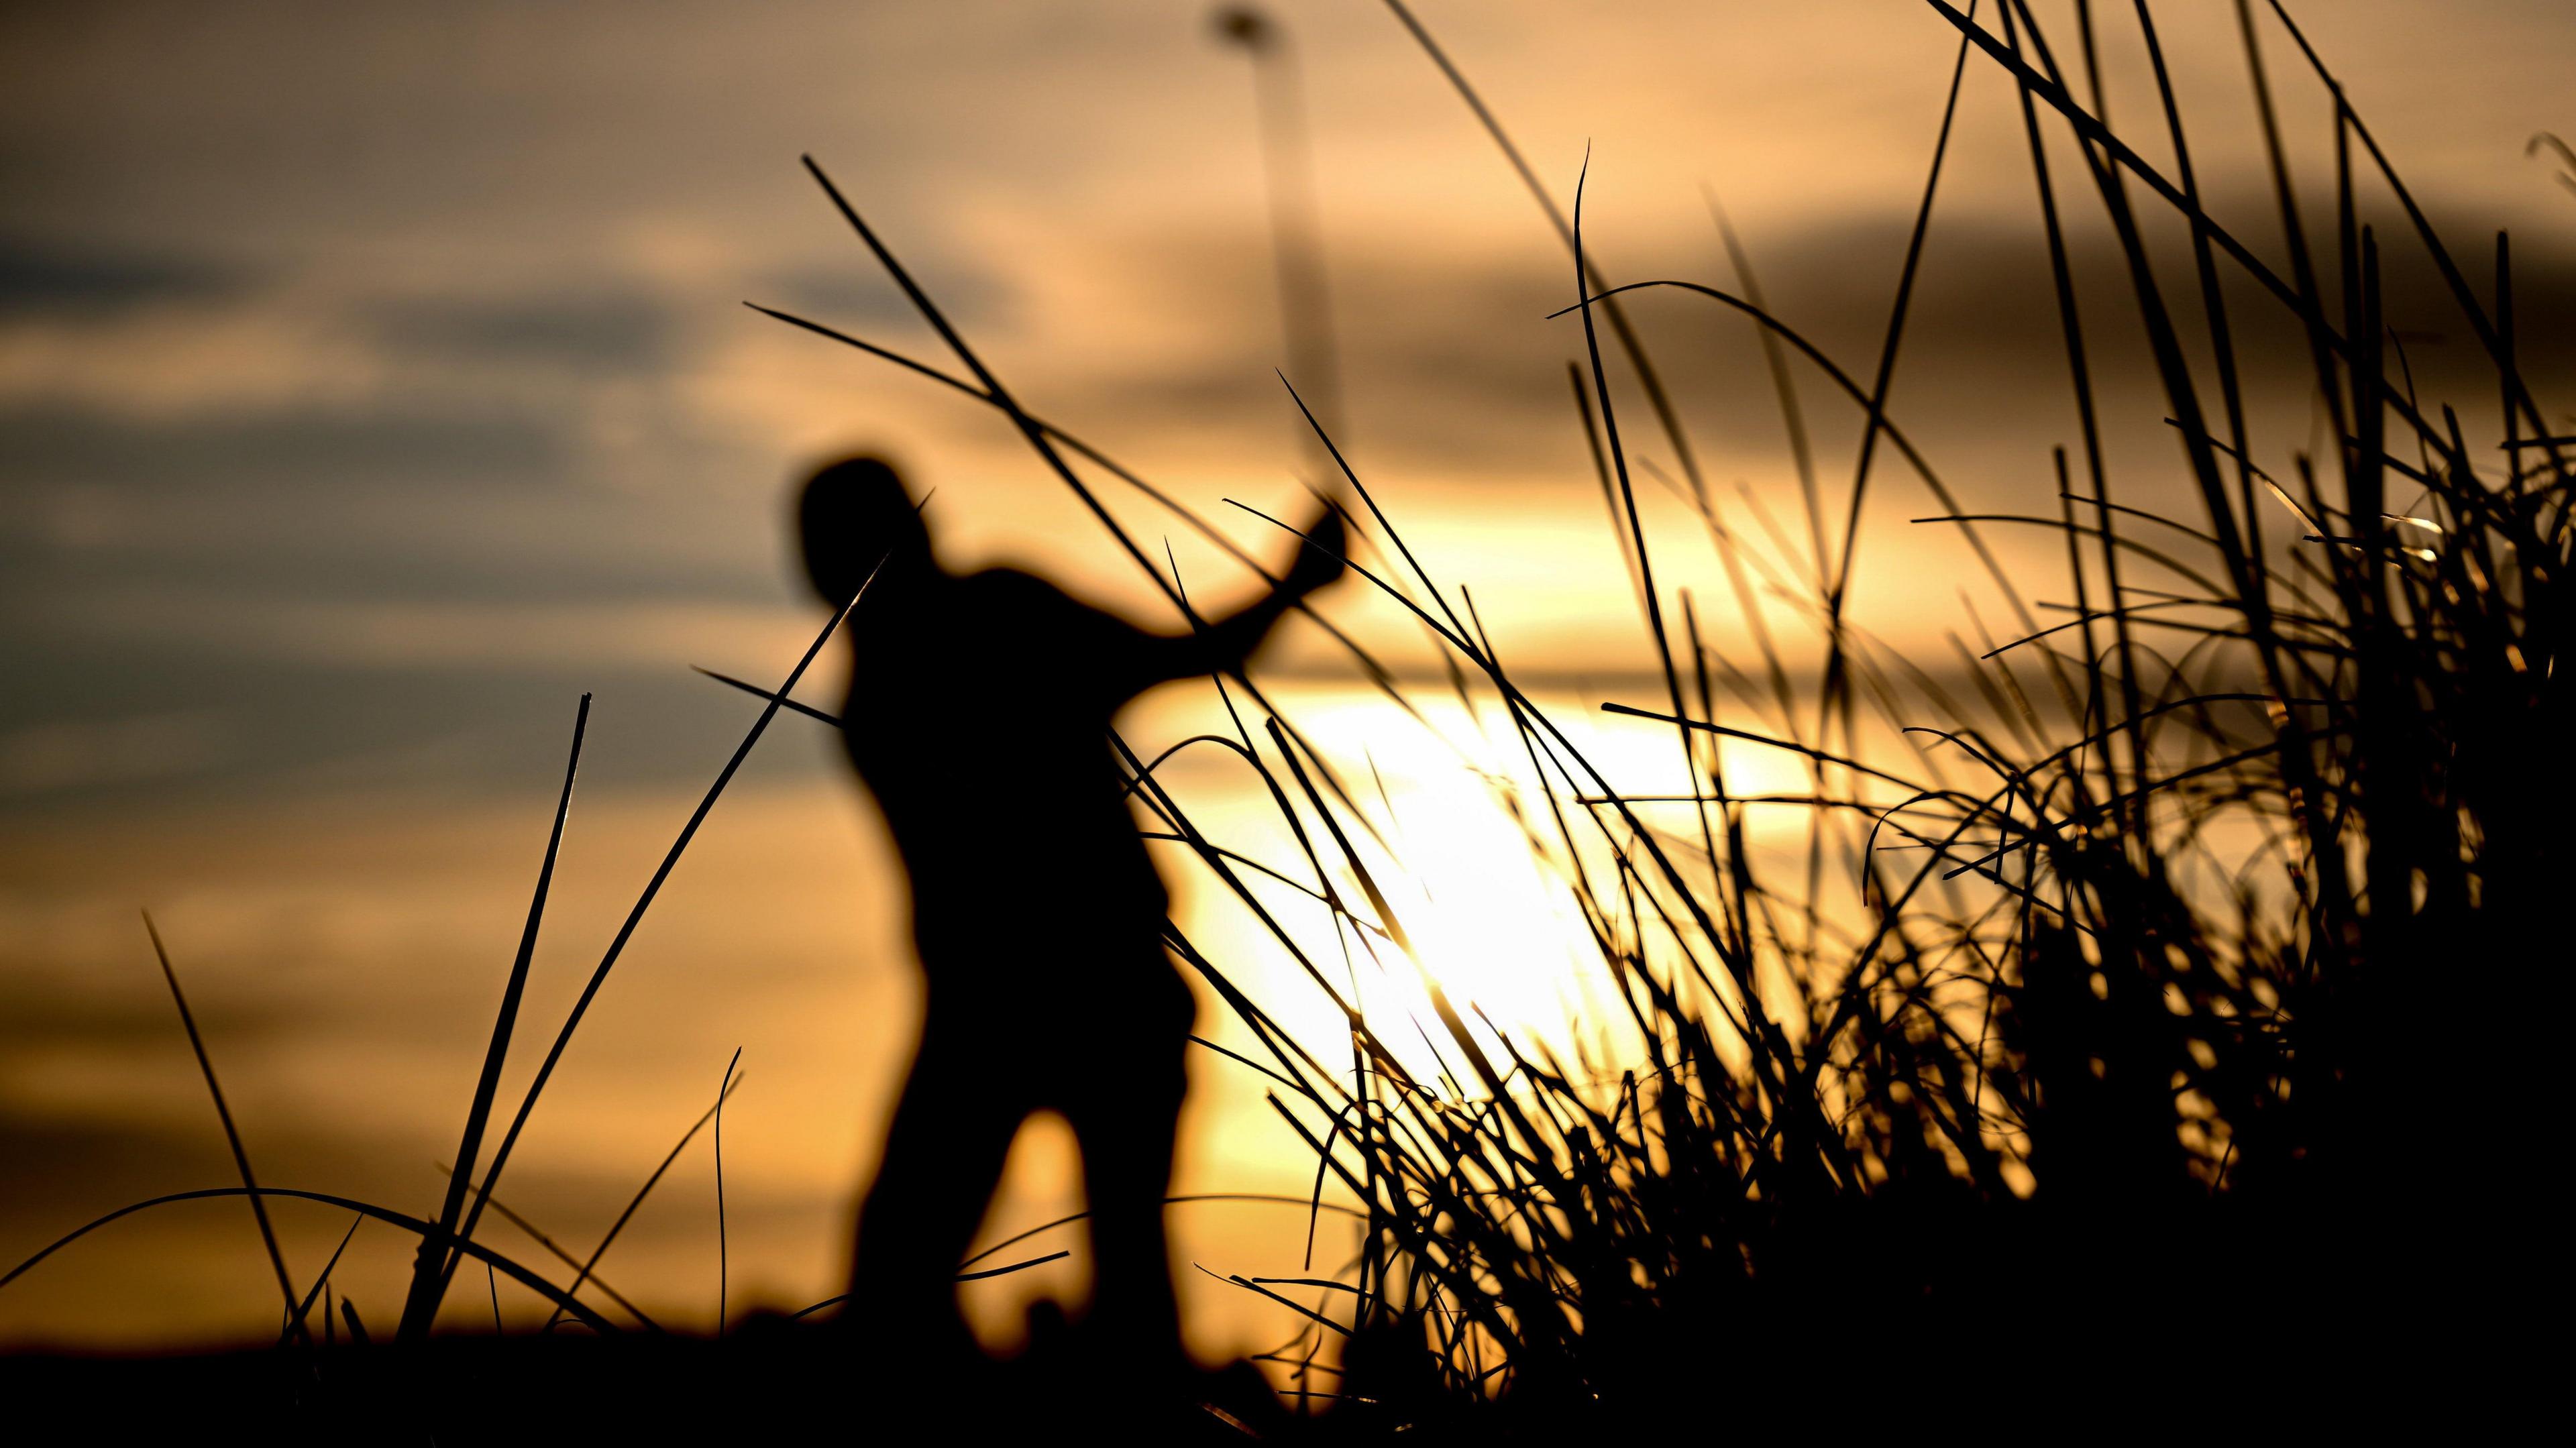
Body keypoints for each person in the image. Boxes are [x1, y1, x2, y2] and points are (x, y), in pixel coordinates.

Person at [795, 455, 1345, 1375]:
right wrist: (1294, 584)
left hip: (1024, 1004)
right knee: (1093, 1268)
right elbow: (1195, 655)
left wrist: (1294, 583)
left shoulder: (881, 694)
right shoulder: (985, 630)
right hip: (1075, 996)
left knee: (913, 1273)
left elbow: (1189, 657)